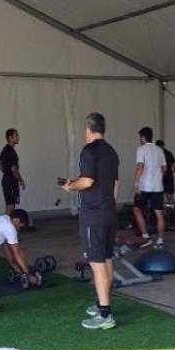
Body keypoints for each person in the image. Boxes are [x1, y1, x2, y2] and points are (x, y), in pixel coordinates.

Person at [63, 112, 119, 330]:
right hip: (108, 211)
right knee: (106, 258)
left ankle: (105, 314)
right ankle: (102, 303)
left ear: (88, 128)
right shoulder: (111, 152)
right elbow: (115, 184)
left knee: (96, 262)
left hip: (93, 213)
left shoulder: (88, 151)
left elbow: (87, 181)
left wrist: (71, 185)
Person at [132, 127, 166, 249]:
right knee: (159, 213)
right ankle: (161, 240)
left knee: (137, 209)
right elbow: (164, 169)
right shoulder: (159, 150)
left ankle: (145, 237)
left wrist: (136, 182)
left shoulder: (141, 149)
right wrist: (156, 176)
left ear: (143, 137)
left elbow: (140, 165)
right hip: (158, 186)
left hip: (145, 186)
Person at [0, 128, 25, 214]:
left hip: (8, 181)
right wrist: (21, 180)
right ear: (10, 138)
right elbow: (14, 170)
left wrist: (6, 171)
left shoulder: (6, 149)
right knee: (10, 207)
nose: (18, 137)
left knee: (10, 206)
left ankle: (8, 226)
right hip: (10, 182)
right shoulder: (10, 151)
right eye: (16, 136)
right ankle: (5, 226)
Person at [155, 140, 175, 230]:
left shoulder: (156, 154)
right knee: (168, 200)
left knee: (165, 200)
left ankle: (167, 220)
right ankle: (169, 221)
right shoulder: (168, 153)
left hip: (162, 179)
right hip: (164, 179)